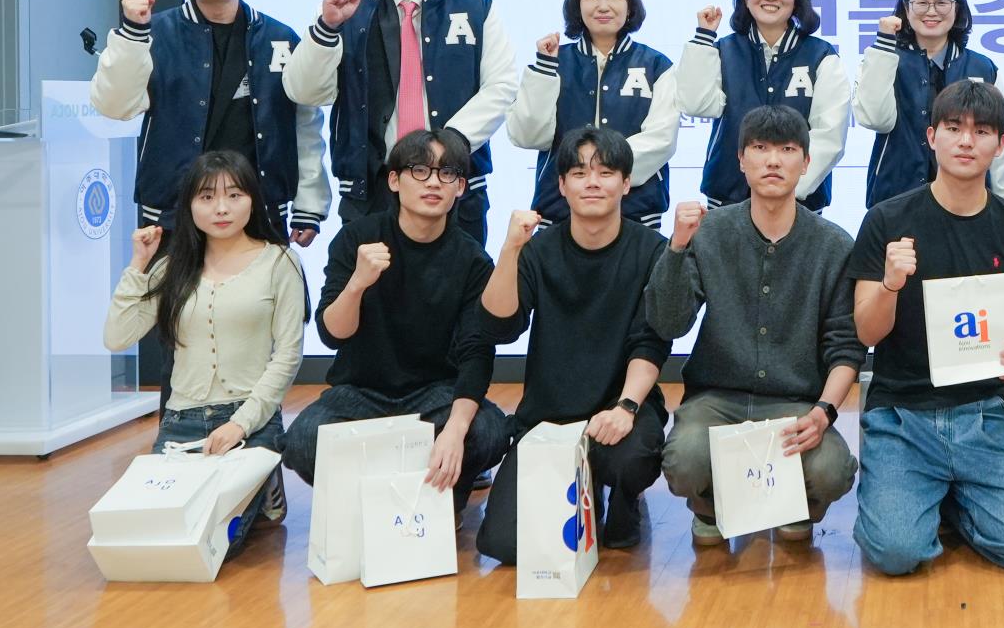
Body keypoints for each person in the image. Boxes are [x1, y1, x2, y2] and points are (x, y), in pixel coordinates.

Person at [850, 80, 1004, 575]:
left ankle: (948, 502)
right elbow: (866, 333)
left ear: (1000, 144)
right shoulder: (886, 221)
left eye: (982, 131)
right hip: (901, 415)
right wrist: (890, 285)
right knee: (895, 553)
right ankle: (923, 496)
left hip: (984, 414)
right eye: (953, 128)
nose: (967, 141)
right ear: (931, 137)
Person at [646, 106, 864, 546]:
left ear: (806, 162)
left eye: (787, 150)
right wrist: (676, 249)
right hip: (716, 398)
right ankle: (709, 508)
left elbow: (846, 346)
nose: (773, 161)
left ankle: (796, 507)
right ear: (741, 159)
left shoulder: (834, 245)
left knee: (833, 469)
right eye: (760, 148)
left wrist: (823, 412)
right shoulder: (710, 231)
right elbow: (668, 322)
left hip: (795, 401)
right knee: (684, 460)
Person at [281, 128, 510, 513]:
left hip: (436, 393)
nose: (433, 182)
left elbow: (477, 353)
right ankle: (378, 503)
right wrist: (357, 284)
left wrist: (455, 431)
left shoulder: (471, 260)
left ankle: (438, 500)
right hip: (361, 392)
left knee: (489, 432)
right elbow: (332, 334)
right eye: (420, 170)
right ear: (394, 180)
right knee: (302, 442)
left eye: (447, 173)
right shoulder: (357, 239)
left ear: (460, 188)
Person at [474, 127, 672, 558]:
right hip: (549, 416)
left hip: (619, 409)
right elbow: (498, 325)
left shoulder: (652, 250)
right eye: (580, 173)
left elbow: (651, 342)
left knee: (631, 460)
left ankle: (624, 498)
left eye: (606, 172)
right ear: (562, 185)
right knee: (505, 544)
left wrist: (626, 407)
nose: (593, 183)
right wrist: (510, 250)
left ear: (626, 183)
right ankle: (584, 489)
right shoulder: (539, 250)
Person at [283, 0, 519, 245]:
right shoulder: (345, 7)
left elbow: (502, 86)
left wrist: (448, 145)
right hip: (371, 187)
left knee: (459, 279)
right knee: (370, 279)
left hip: (453, 184)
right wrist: (327, 27)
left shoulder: (476, 7)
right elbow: (304, 91)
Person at [103, 151, 307, 546]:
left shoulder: (280, 261)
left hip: (249, 421)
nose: (221, 208)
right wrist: (138, 265)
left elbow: (287, 356)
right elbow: (117, 337)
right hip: (181, 422)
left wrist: (240, 424)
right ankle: (261, 487)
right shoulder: (173, 267)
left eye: (234, 195)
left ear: (253, 199)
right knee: (152, 536)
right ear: (189, 206)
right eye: (207, 197)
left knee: (209, 540)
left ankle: (263, 478)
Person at [91, 0, 329, 243]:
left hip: (259, 209)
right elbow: (115, 106)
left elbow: (304, 123)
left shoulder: (279, 38)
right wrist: (132, 35)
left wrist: (309, 204)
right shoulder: (153, 33)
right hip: (173, 211)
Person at [506, 0, 681, 228]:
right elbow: (527, 136)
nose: (603, 6)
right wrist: (544, 70)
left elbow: (662, 139)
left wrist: (599, 168)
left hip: (636, 213)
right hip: (559, 211)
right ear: (577, 5)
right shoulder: (554, 62)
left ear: (630, 5)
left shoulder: (656, 65)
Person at [678, 0, 850, 211]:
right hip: (728, 201)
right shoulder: (724, 50)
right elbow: (695, 104)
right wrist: (704, 38)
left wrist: (785, 187)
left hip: (799, 205)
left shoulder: (821, 55)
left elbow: (830, 135)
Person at [854, 0, 1004, 207]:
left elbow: (1000, 145)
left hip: (969, 203)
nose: (931, 11)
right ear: (906, 8)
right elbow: (875, 119)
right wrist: (885, 44)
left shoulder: (982, 68)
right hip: (895, 200)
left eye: (942, 2)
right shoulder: (883, 59)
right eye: (922, 2)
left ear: (957, 8)